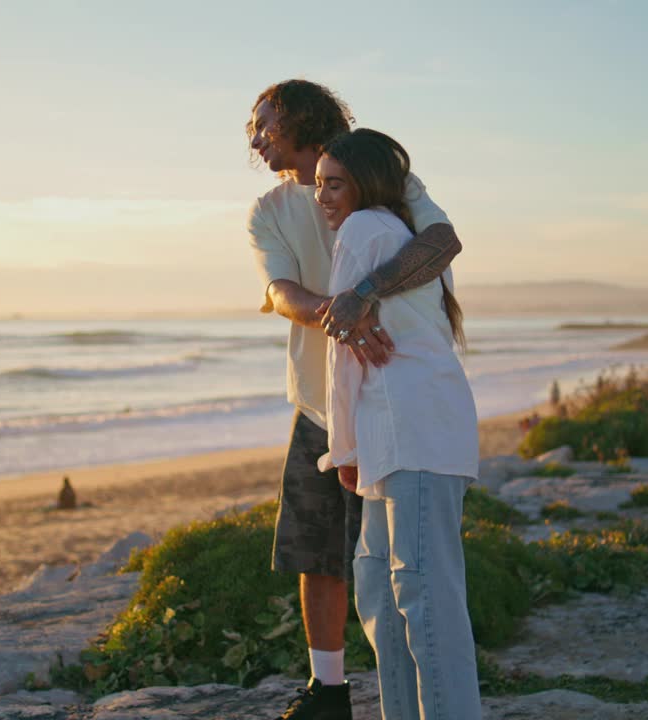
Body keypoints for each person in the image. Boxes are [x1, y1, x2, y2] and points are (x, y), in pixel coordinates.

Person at [246, 79, 462, 720]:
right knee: (322, 552)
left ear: (303, 119)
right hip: (321, 399)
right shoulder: (269, 209)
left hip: (392, 399)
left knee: (403, 570)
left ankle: (431, 698)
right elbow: (281, 292)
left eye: (265, 125)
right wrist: (337, 311)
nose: (256, 140)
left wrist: (364, 292)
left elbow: (442, 241)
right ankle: (329, 691)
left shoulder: (375, 174)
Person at [315, 128, 481, 720]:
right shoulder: (402, 229)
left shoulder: (366, 228)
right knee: (384, 591)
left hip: (412, 431)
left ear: (365, 183)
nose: (323, 197)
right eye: (318, 185)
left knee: (423, 598)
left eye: (334, 184)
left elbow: (343, 350)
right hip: (409, 431)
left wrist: (343, 448)